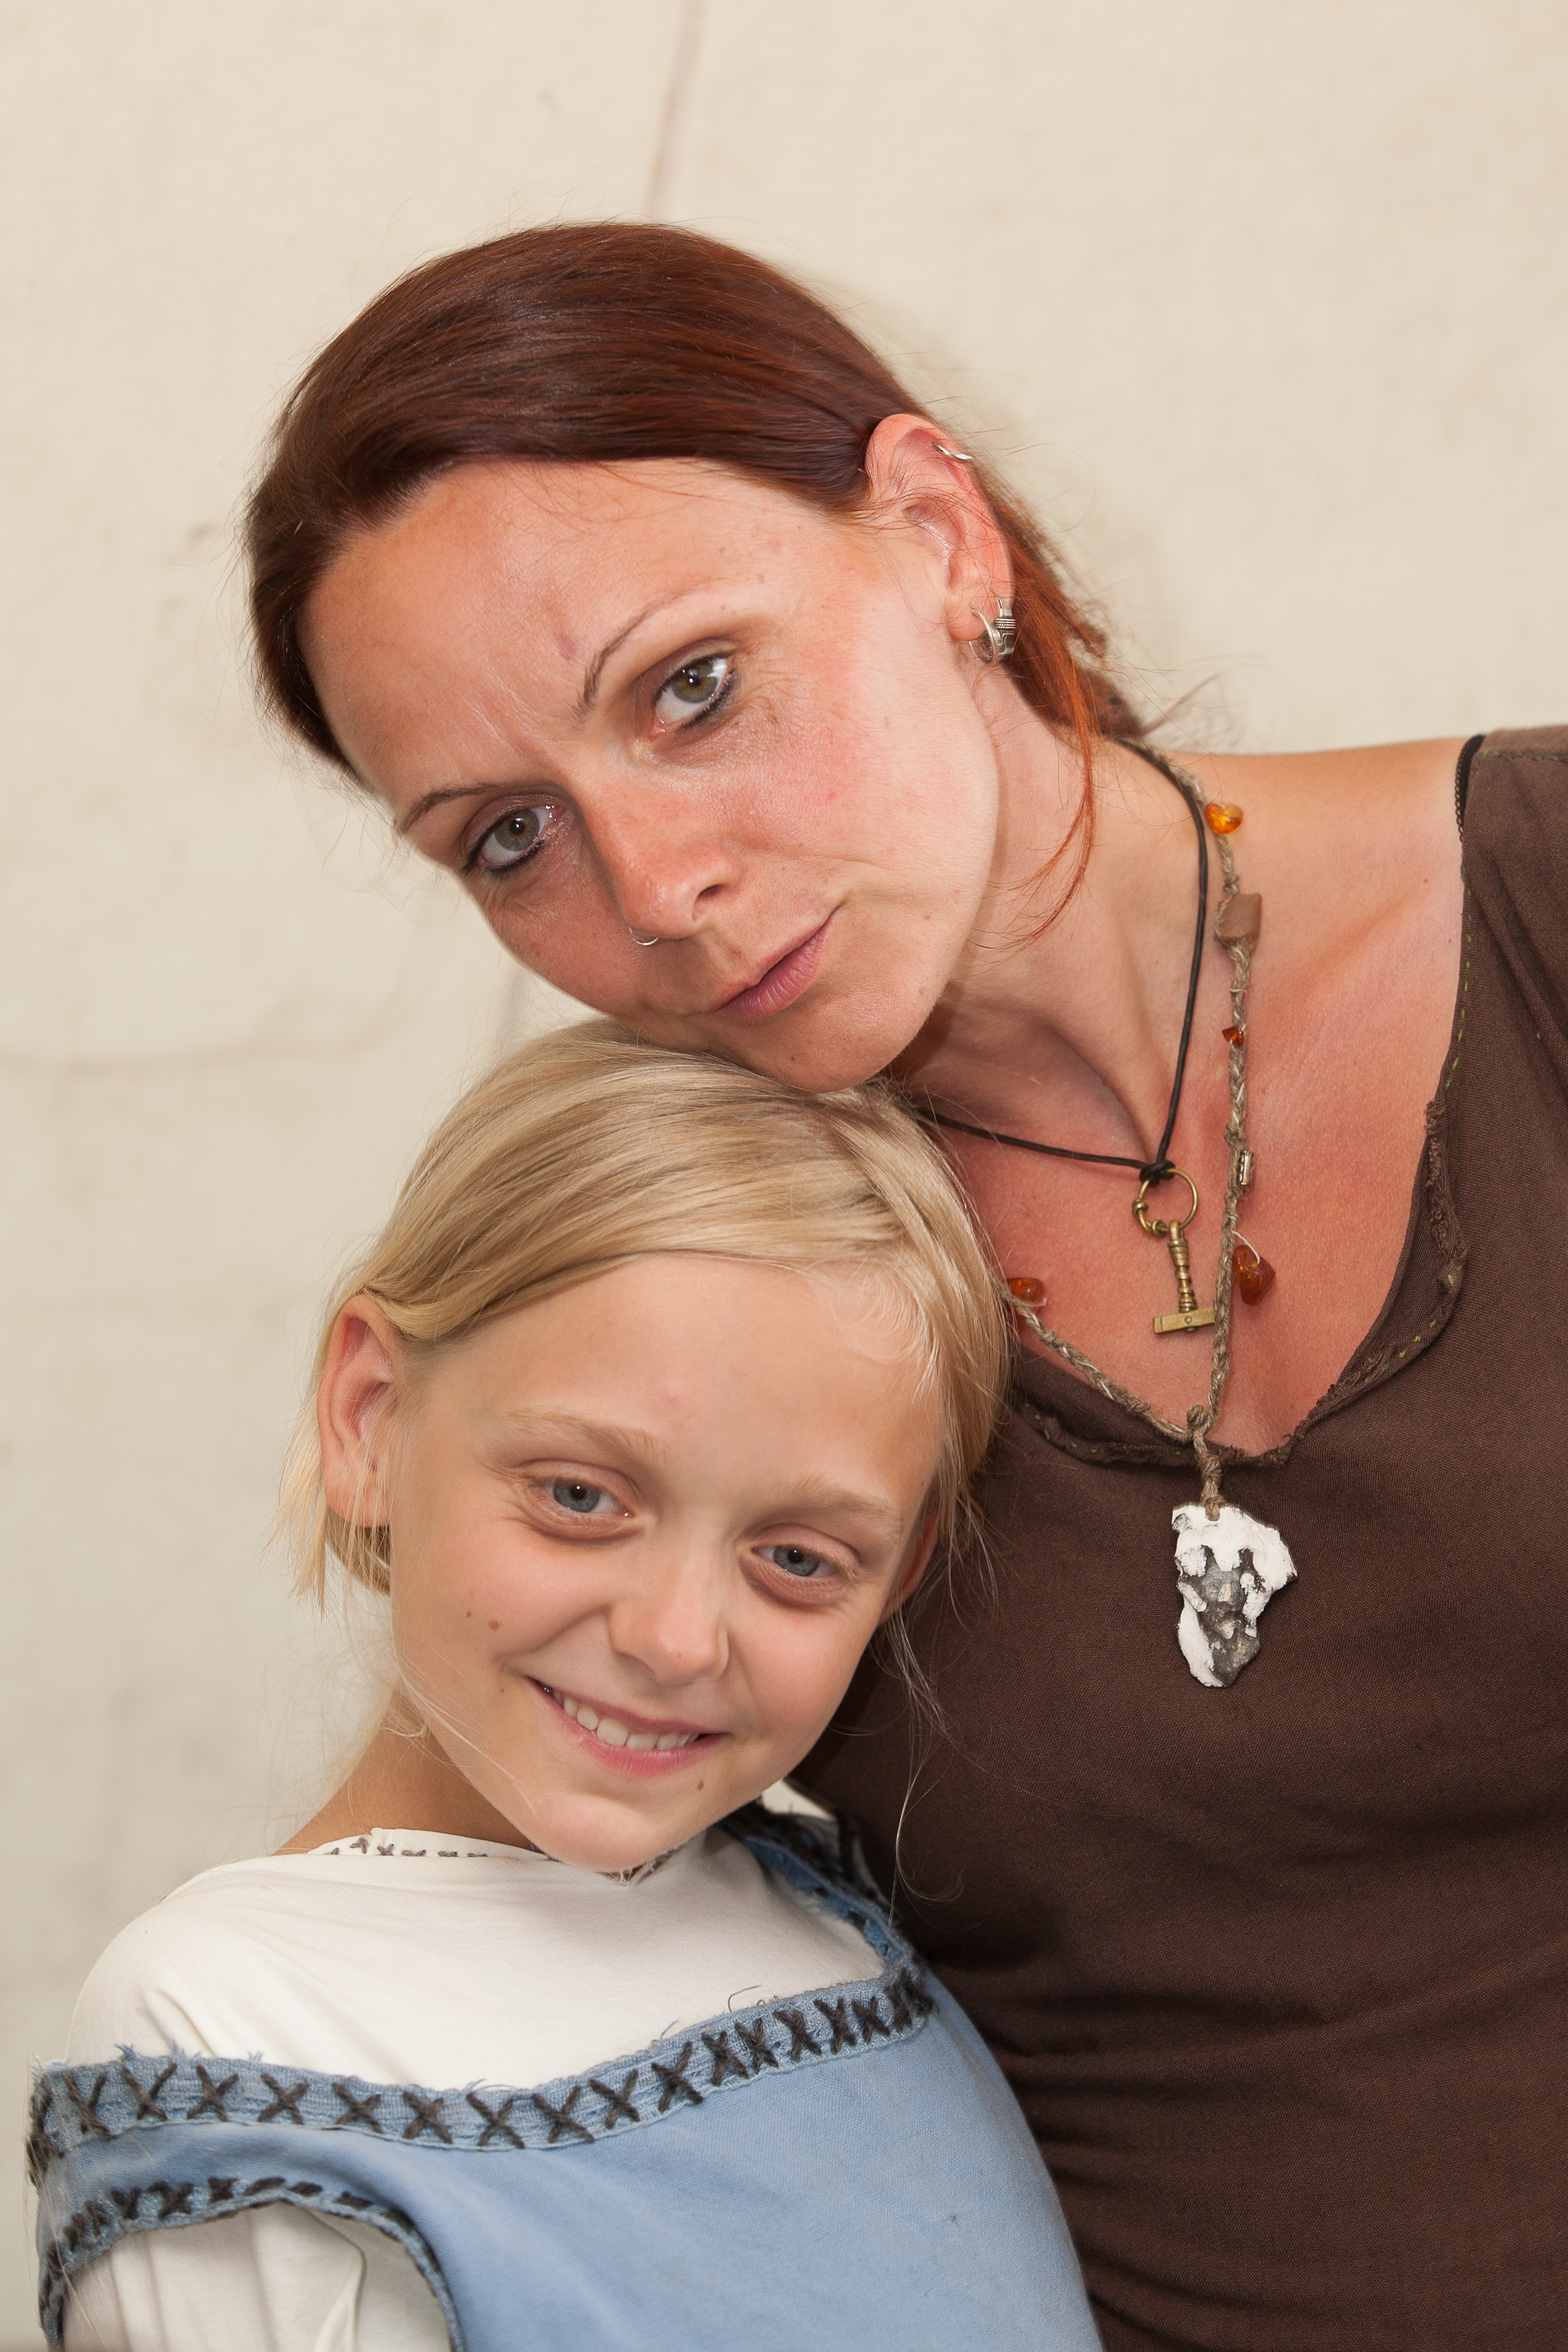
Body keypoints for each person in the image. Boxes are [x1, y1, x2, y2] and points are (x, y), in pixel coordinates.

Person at [236, 224, 1567, 2349]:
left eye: (691, 686)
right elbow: (437, 1821)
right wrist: (184, 2129)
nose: (656, 884)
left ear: (938, 534)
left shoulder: (1538, 909)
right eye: (506, 836)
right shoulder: (719, 1276)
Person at [32, 1023, 1102, 2351]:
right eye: (581, 1496)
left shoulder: (842, 1923)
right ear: (370, 1417)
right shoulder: (227, 2020)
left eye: (795, 1558)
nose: (674, 1638)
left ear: (898, 1575)